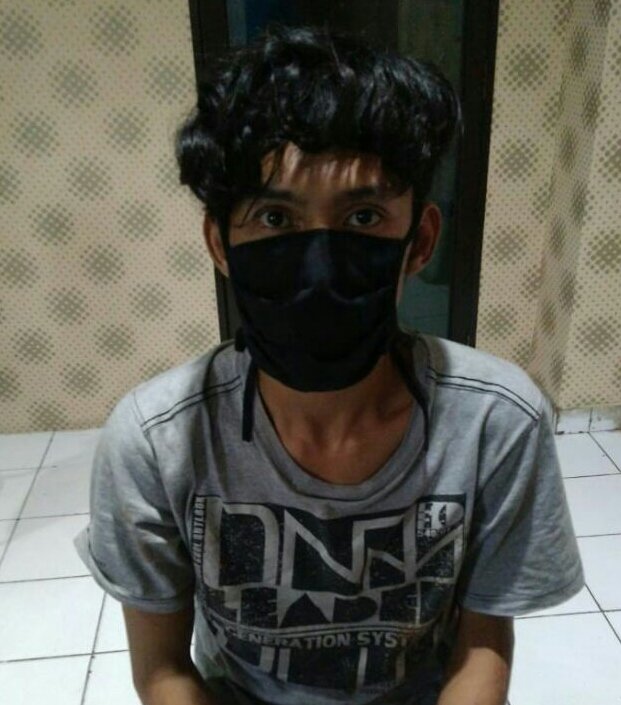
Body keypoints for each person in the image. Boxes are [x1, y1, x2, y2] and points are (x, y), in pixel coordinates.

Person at [74, 24, 585, 705]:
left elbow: (482, 646)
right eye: (274, 219)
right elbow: (162, 668)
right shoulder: (155, 439)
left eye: (364, 216)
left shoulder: (496, 422)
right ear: (220, 244)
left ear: (419, 241)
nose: (318, 264)